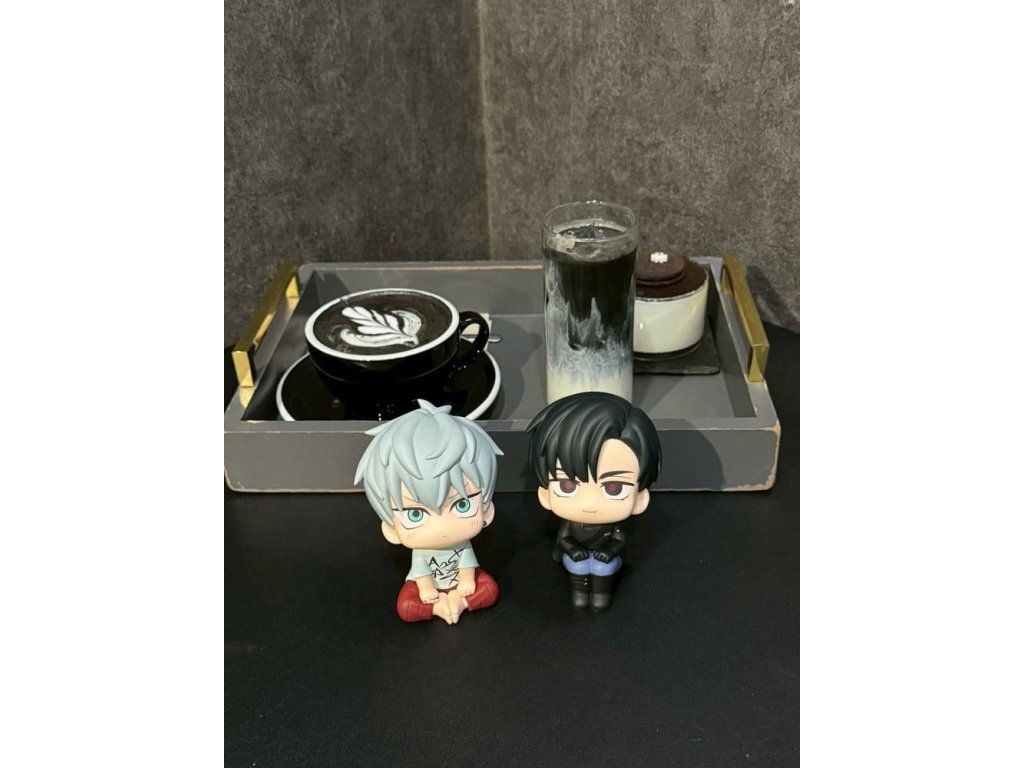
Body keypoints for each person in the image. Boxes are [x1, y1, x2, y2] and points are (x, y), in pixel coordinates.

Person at [355, 400, 502, 624]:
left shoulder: (463, 546)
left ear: (486, 511)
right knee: (406, 606)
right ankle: (438, 609)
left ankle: (460, 604)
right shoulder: (420, 553)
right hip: (427, 589)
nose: (442, 526)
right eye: (415, 514)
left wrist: (464, 590)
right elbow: (422, 578)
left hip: (462, 586)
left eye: (462, 505)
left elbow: (467, 569)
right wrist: (428, 594)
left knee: (489, 589)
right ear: (392, 529)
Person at [527, 392, 661, 612]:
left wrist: (609, 551)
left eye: (614, 488)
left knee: (601, 568)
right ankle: (580, 593)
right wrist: (572, 549)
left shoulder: (614, 526)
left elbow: (619, 541)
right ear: (545, 494)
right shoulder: (571, 523)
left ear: (640, 498)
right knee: (579, 566)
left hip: (605, 558)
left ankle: (600, 594)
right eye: (567, 486)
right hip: (577, 557)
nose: (590, 503)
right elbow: (563, 539)